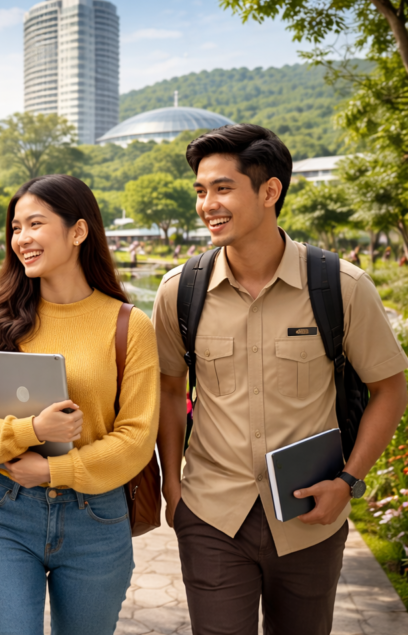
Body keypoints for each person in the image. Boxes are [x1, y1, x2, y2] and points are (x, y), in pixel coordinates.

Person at [153, 124, 408, 635]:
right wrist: (173, 487)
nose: (207, 205)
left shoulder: (341, 286)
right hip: (211, 516)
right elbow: (168, 387)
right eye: (201, 191)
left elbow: (391, 389)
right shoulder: (180, 291)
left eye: (223, 188)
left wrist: (348, 481)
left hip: (310, 515)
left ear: (270, 191)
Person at [0, 174, 159, 635]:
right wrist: (31, 432)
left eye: (35, 224)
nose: (21, 238)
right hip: (5, 510)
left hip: (98, 519)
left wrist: (52, 471)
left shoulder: (129, 325)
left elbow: (137, 439)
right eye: (15, 227)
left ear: (78, 231)